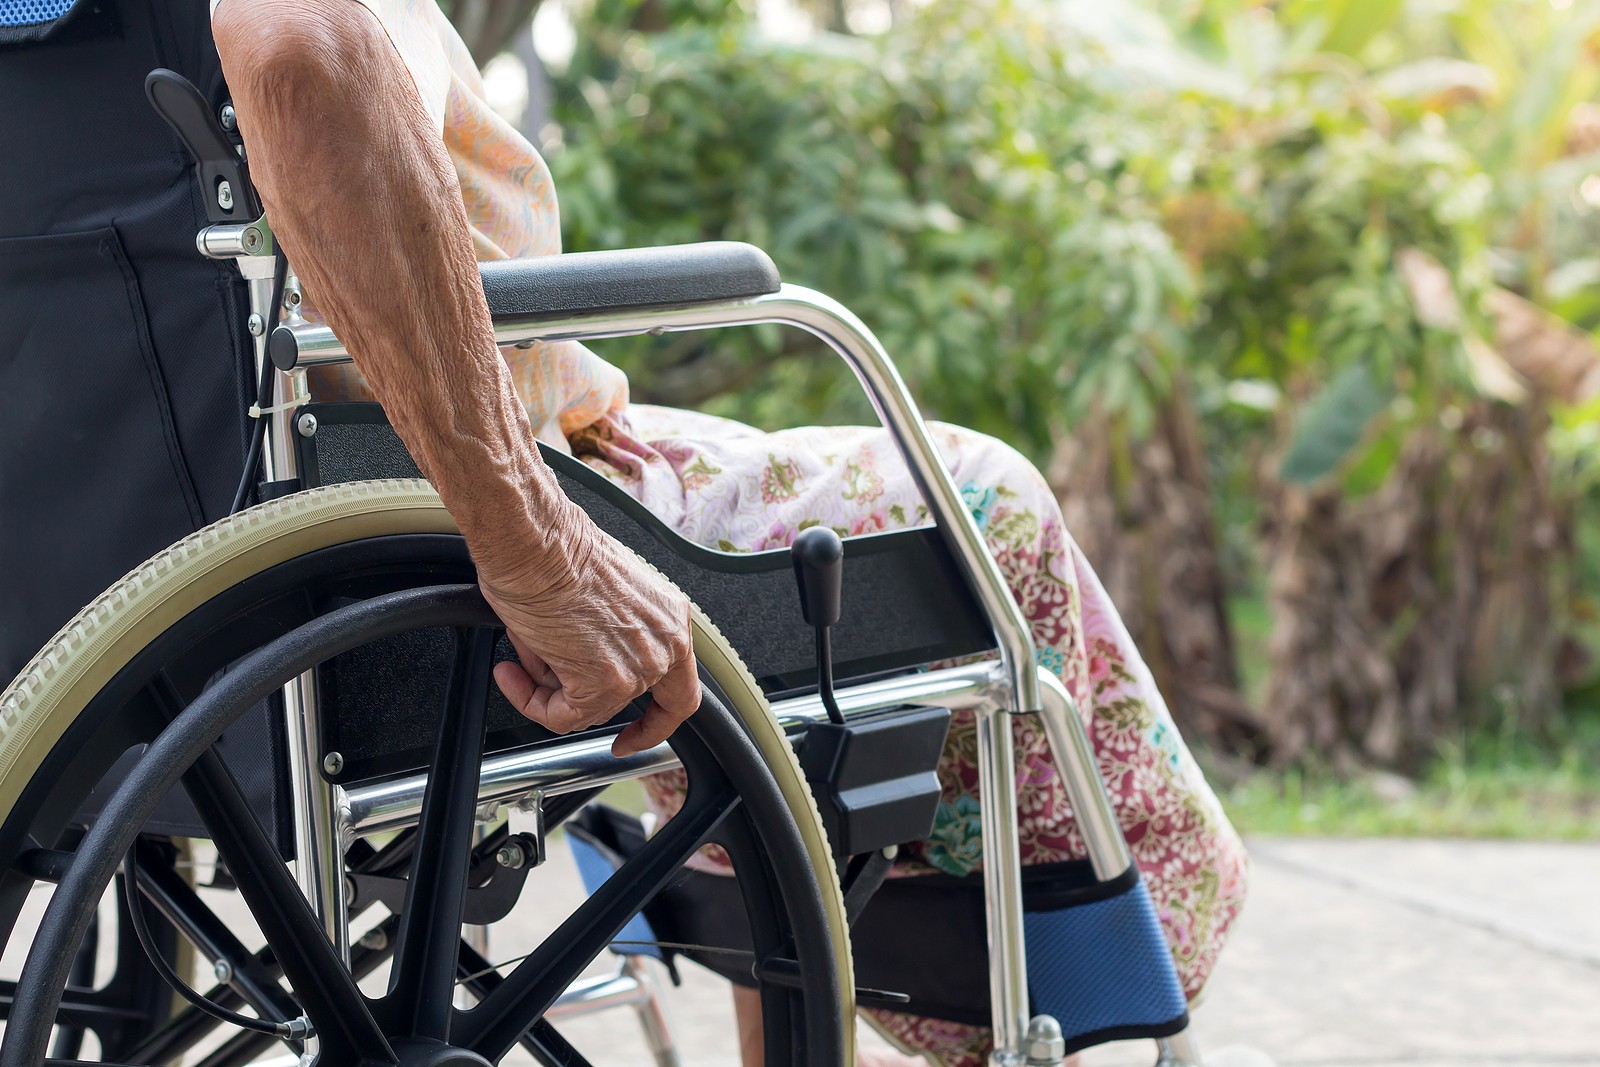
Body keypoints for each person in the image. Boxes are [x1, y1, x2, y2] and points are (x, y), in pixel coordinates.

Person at [9, 0, 1250, 1063]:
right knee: (975, 497)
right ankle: (1089, 985)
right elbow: (296, 53)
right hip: (395, 521)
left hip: (81, 584)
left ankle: (756, 865)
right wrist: (534, 540)